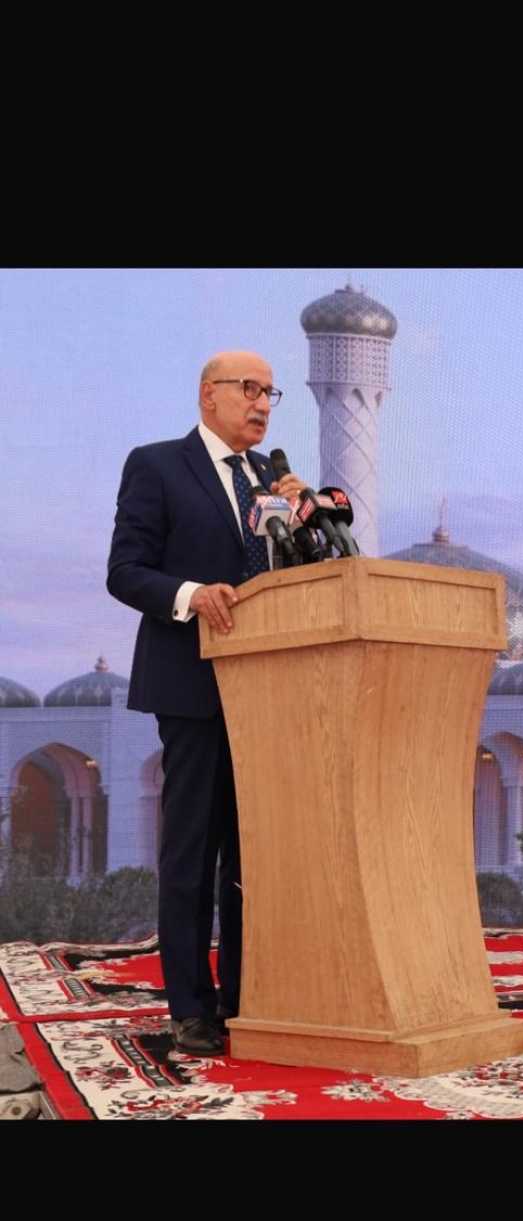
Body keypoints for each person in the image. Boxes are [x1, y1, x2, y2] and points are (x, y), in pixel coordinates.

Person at [107, 350, 309, 1055]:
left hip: (269, 690)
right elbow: (126, 571)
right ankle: (191, 1006)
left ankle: (247, 996)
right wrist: (192, 596)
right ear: (208, 395)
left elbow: (298, 575)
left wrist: (305, 522)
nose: (260, 403)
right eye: (248, 389)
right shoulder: (159, 465)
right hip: (192, 684)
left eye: (269, 393)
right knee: (194, 849)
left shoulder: (271, 480)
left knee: (255, 853)